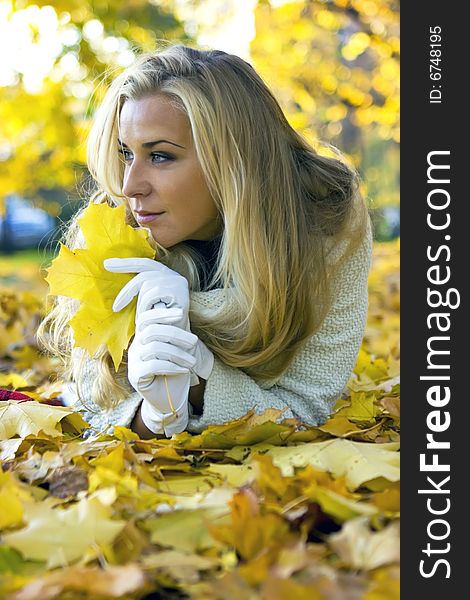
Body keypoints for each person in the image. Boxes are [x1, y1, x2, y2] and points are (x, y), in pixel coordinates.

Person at [38, 44, 372, 440]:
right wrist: (161, 409)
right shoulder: (113, 231)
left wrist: (199, 377)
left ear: (232, 160)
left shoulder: (323, 219)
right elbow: (97, 408)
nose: (130, 185)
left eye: (160, 156)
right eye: (126, 153)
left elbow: (307, 408)